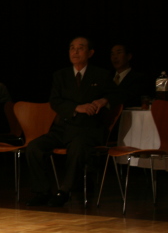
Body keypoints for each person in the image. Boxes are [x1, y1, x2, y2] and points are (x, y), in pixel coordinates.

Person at [25, 37, 119, 207]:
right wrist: (76, 107)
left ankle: (64, 191)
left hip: (88, 129)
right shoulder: (60, 75)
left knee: (78, 147)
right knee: (34, 147)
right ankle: (42, 191)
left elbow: (117, 95)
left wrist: (103, 100)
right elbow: (55, 101)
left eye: (80, 48)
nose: (75, 52)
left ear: (90, 53)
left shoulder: (101, 74)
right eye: (72, 48)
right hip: (64, 127)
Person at [110, 43, 150, 108]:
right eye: (112, 54)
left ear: (128, 56)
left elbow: (130, 98)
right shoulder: (107, 77)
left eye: (119, 53)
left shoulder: (139, 78)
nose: (115, 57)